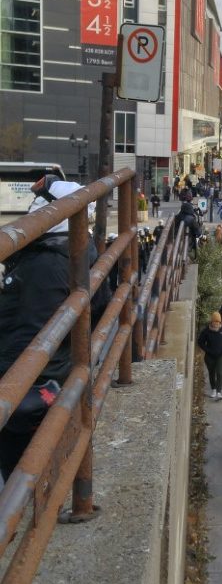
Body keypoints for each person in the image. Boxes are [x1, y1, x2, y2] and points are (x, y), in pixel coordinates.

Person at [0, 177, 108, 480]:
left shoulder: (42, 265)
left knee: (19, 472)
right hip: (59, 370)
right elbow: (102, 305)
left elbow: (24, 334)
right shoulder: (77, 250)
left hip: (34, 385)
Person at [198, 312, 222, 399]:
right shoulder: (206, 331)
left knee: (220, 373)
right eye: (215, 322)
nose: (216, 324)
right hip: (210, 356)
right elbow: (200, 342)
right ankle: (213, 389)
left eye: (218, 322)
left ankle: (218, 391)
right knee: (211, 372)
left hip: (221, 355)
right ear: (212, 322)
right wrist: (207, 350)